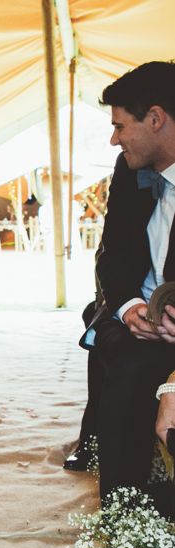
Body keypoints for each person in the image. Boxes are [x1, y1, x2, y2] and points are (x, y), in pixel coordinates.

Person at [86, 60, 175, 501]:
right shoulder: (128, 171)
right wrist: (128, 308)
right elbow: (112, 254)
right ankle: (124, 514)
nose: (114, 138)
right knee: (122, 370)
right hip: (143, 327)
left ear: (155, 119)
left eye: (121, 125)